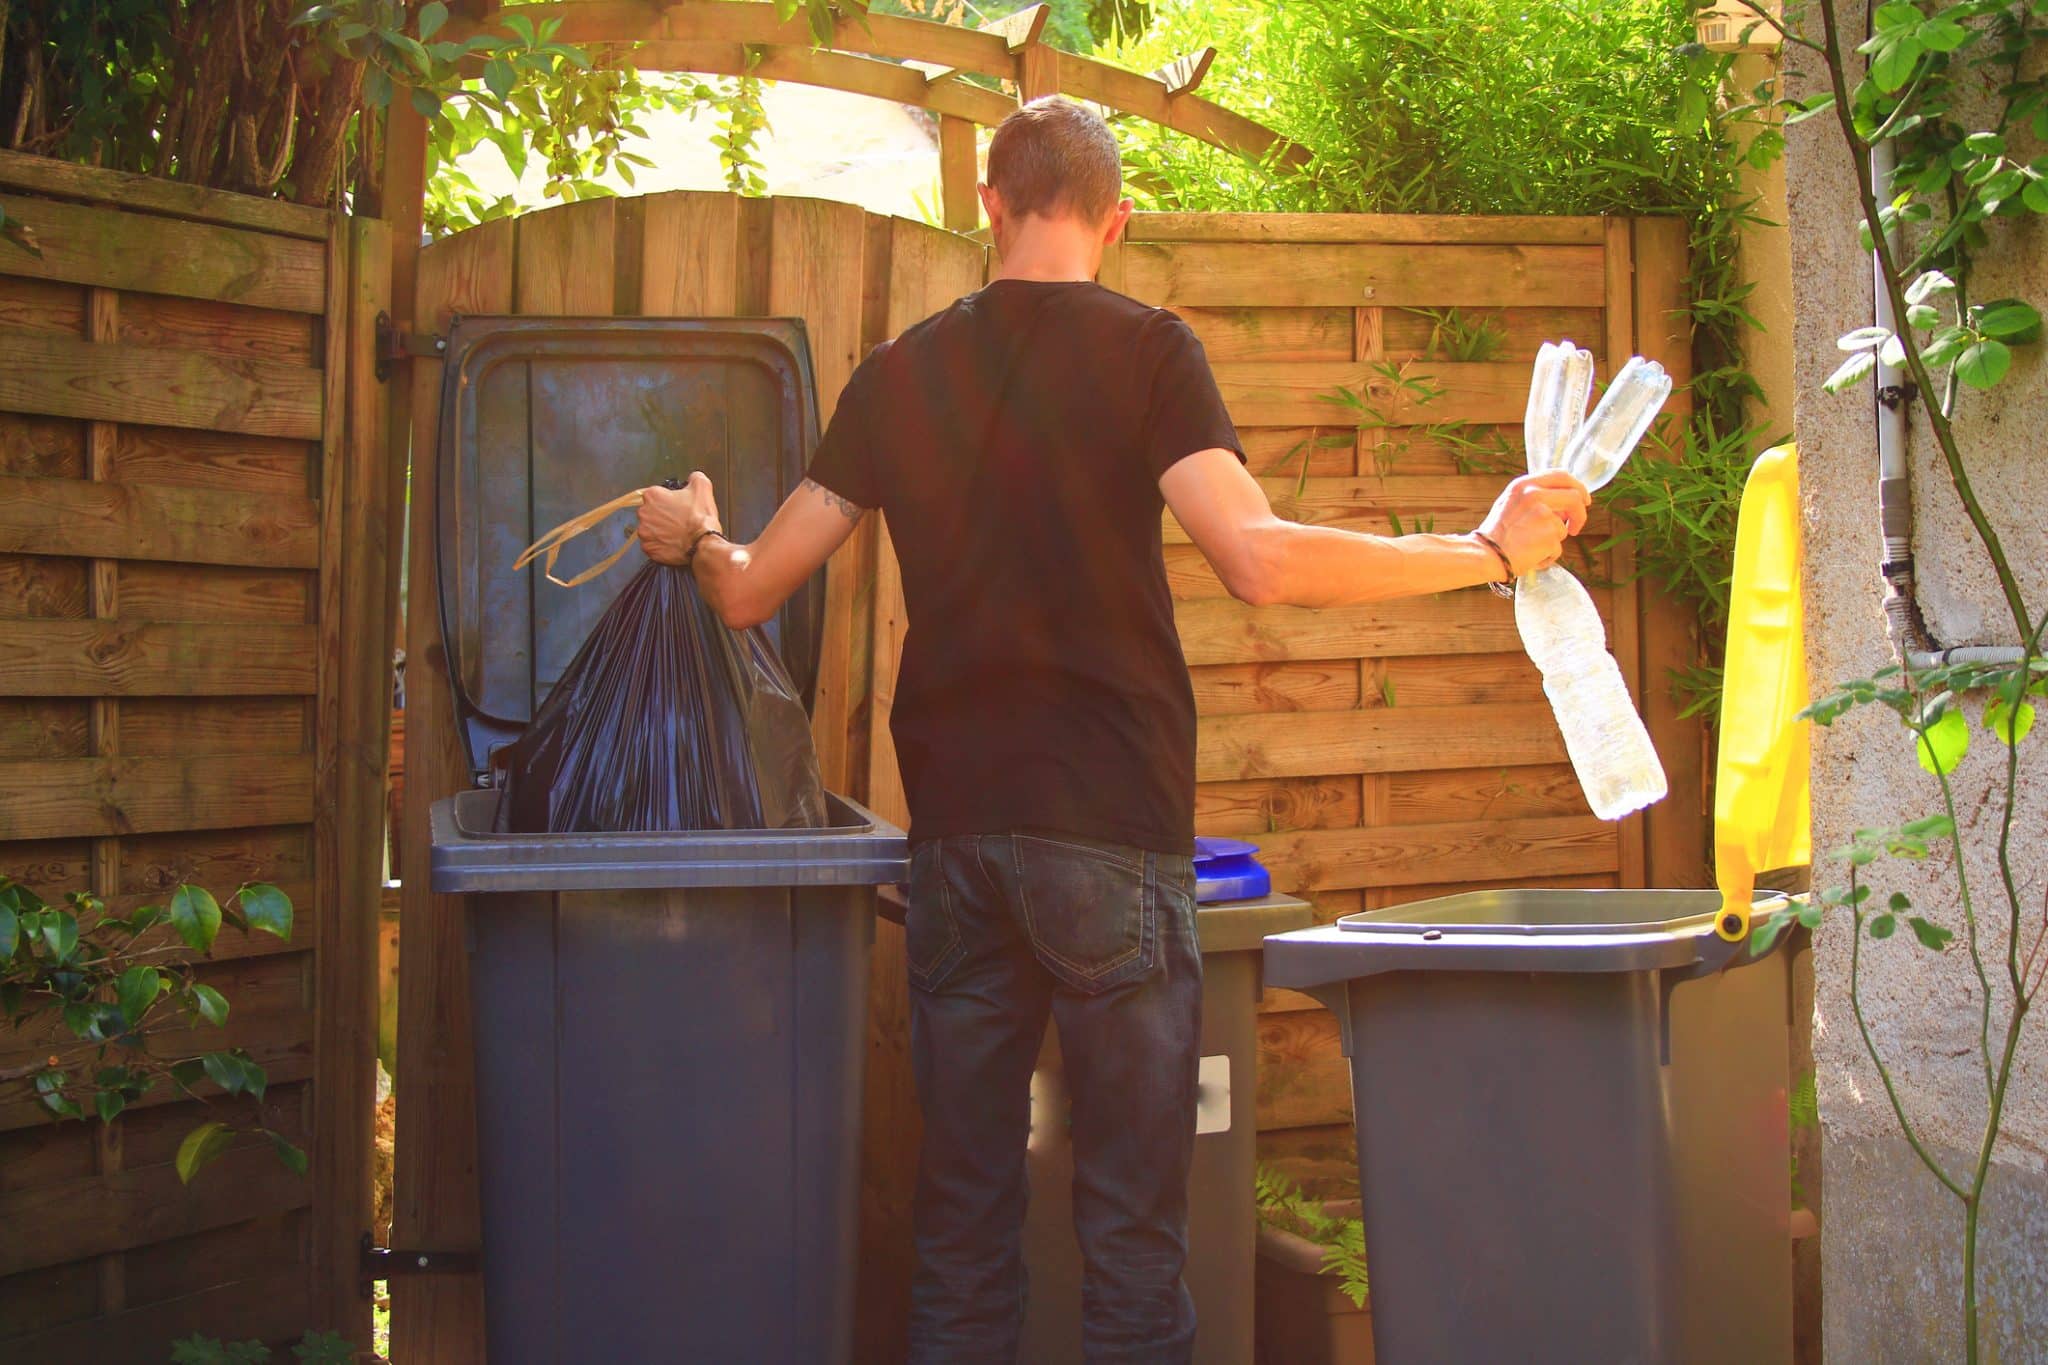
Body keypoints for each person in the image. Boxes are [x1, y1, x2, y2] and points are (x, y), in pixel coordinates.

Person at [636, 97, 1590, 1365]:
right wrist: (1481, 552)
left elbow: (751, 586)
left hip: (960, 849)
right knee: (1133, 1242)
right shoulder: (1149, 352)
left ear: (985, 203)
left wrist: (693, 531)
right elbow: (1254, 559)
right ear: (1116, 219)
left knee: (961, 1232)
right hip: (1109, 840)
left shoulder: (898, 373)